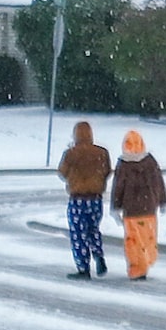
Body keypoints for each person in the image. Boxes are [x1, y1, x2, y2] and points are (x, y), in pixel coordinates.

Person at [110, 129, 166, 281]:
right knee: (147, 238)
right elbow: (158, 182)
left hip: (131, 210)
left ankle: (137, 266)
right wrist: (162, 201)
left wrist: (116, 207)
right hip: (149, 208)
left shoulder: (123, 164)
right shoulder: (150, 161)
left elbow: (118, 187)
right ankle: (147, 260)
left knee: (133, 240)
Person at [55, 120, 110, 279]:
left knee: (78, 233)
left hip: (78, 198)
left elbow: (62, 172)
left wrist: (74, 179)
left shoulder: (71, 154)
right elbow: (107, 171)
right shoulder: (102, 153)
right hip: (95, 199)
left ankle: (83, 268)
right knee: (93, 229)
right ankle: (98, 255)